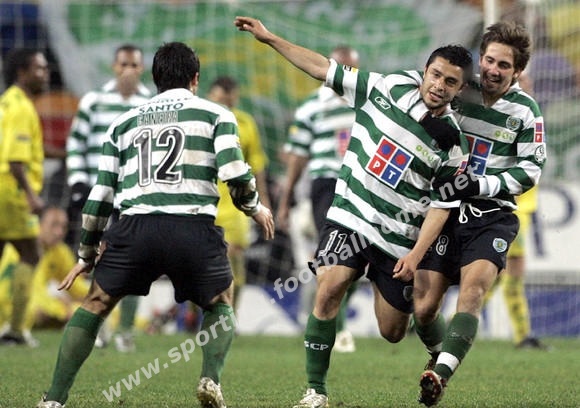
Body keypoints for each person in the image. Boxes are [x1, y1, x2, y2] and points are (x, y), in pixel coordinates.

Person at [235, 16, 473, 408]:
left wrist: (416, 255)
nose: (439, 85)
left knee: (393, 330)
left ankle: (439, 354)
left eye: (450, 82)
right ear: (425, 70)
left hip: (397, 236)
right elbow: (321, 67)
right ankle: (316, 391)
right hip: (350, 215)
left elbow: (440, 206)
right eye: (435, 75)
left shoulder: (453, 143)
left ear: (460, 88)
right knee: (328, 287)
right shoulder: (385, 87)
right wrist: (270, 38)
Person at [36, 41, 275, 408]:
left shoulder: (122, 123)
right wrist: (254, 207)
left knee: (96, 302)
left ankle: (54, 399)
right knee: (221, 301)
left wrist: (86, 254)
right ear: (195, 79)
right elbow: (234, 173)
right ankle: (209, 379)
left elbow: (100, 195)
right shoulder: (217, 115)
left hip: (135, 228)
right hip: (193, 228)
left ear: (155, 78)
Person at [408, 21, 546, 406]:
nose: (493, 70)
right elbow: (418, 99)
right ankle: (440, 353)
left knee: (473, 291)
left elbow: (531, 170)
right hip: (445, 212)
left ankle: (440, 374)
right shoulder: (457, 89)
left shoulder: (526, 111)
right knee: (423, 309)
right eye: (489, 60)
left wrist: (481, 185)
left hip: (493, 216)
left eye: (504, 65)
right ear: (480, 58)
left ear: (517, 71)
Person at [66, 43, 151, 352]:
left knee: (136, 264)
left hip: (134, 197)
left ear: (141, 69)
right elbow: (75, 143)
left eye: (134, 65)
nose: (128, 70)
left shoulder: (150, 105)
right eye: (123, 64)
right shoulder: (94, 101)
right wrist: (77, 181)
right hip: (99, 193)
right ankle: (98, 328)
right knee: (99, 262)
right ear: (114, 67)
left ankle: (126, 331)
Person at [276, 45, 360, 353]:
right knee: (335, 254)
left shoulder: (367, 101)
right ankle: (340, 328)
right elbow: (298, 156)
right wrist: (285, 200)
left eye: (351, 68)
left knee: (361, 255)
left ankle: (335, 318)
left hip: (363, 185)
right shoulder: (312, 105)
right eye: (341, 68)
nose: (346, 74)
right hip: (327, 184)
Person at [207, 75, 271, 312]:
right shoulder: (200, 120)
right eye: (221, 99)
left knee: (233, 259)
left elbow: (257, 165)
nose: (226, 104)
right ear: (210, 96)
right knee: (202, 262)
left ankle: (229, 317)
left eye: (230, 100)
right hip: (205, 201)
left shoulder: (245, 123)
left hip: (235, 205)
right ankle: (197, 314)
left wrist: (263, 201)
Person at [0, 47, 49, 346]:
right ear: (22, 72)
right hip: (12, 192)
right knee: (31, 253)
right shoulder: (21, 108)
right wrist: (32, 196)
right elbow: (15, 161)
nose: (45, 74)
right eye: (39, 68)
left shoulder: (6, 101)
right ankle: (16, 329)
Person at [0, 207, 89, 338]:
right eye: (54, 225)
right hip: (10, 308)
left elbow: (76, 287)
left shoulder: (60, 251)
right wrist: (63, 309)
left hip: (40, 308)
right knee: (35, 310)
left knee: (95, 309)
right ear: (39, 224)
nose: (59, 232)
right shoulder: (24, 249)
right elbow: (32, 297)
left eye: (63, 227)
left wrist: (99, 298)